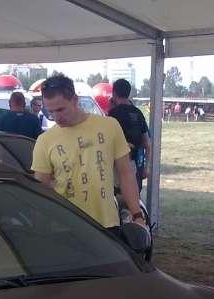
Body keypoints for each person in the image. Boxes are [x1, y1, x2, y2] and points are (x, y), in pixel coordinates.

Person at [31, 74, 145, 234]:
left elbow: (126, 174)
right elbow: (40, 189)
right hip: (65, 227)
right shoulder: (45, 140)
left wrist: (137, 215)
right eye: (51, 112)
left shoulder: (109, 126)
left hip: (106, 224)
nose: (56, 117)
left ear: (75, 100)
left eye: (61, 109)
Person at [108, 78, 151, 192]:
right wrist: (146, 167)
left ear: (114, 93)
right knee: (133, 197)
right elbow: (147, 143)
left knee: (117, 197)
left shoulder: (112, 114)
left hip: (116, 167)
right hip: (135, 165)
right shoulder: (138, 113)